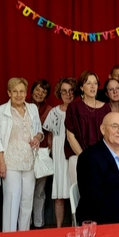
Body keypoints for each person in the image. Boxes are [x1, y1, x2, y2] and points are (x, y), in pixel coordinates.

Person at [76, 112, 119, 224]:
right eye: (115, 126)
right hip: (106, 223)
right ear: (103, 129)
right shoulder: (89, 157)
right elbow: (91, 198)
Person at [0, 78, 43, 232]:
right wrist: (1, 162)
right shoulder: (1, 111)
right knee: (11, 201)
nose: (19, 94)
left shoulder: (33, 108)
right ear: (9, 93)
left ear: (26, 92)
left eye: (22, 91)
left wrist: (38, 137)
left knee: (27, 202)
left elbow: (39, 131)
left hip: (29, 161)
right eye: (15, 91)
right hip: (11, 162)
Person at [65, 70, 111, 184]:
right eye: (88, 83)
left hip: (101, 158)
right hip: (78, 157)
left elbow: (109, 135)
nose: (92, 86)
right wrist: (85, 158)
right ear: (81, 87)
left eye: (95, 83)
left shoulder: (106, 108)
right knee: (80, 194)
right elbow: (70, 137)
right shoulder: (74, 107)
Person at [43, 77, 77, 228]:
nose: (68, 94)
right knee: (59, 195)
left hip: (74, 152)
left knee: (75, 192)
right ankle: (58, 228)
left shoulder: (78, 110)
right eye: (64, 91)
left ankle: (76, 226)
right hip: (58, 153)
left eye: (71, 91)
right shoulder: (54, 112)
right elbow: (49, 134)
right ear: (59, 93)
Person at [30, 79, 52, 228]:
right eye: (38, 89)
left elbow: (48, 131)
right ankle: (26, 223)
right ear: (32, 91)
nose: (40, 93)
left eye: (44, 91)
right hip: (24, 152)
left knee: (39, 190)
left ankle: (38, 223)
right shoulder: (22, 105)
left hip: (42, 152)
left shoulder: (49, 109)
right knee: (25, 191)